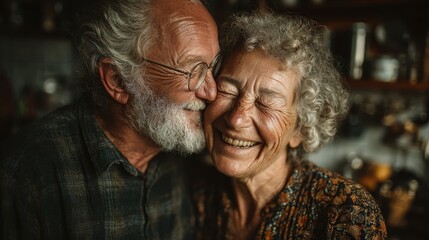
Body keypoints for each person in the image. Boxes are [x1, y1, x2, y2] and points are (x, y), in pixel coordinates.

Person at [0, 0, 221, 239]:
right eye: (193, 71)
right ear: (117, 80)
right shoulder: (26, 171)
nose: (211, 91)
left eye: (212, 66)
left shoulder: (188, 158)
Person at [193, 12, 387, 239]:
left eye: (266, 103)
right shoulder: (196, 193)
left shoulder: (346, 211)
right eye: (228, 90)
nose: (237, 118)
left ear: (301, 129)